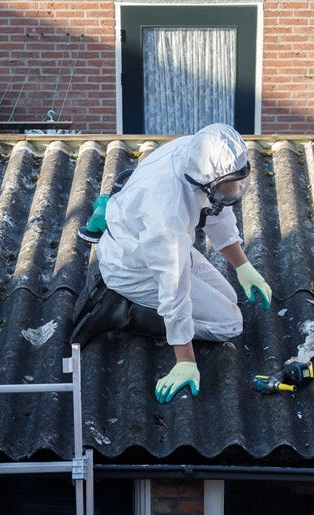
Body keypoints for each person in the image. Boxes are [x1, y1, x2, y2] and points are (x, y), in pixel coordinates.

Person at [72, 123, 272, 404]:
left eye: (237, 182)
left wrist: (243, 267)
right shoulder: (167, 212)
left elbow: (216, 210)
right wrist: (185, 361)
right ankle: (123, 308)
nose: (234, 190)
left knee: (229, 298)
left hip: (153, 244)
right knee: (230, 324)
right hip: (133, 267)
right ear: (206, 180)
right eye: (228, 186)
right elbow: (173, 285)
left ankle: (151, 311)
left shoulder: (200, 154)